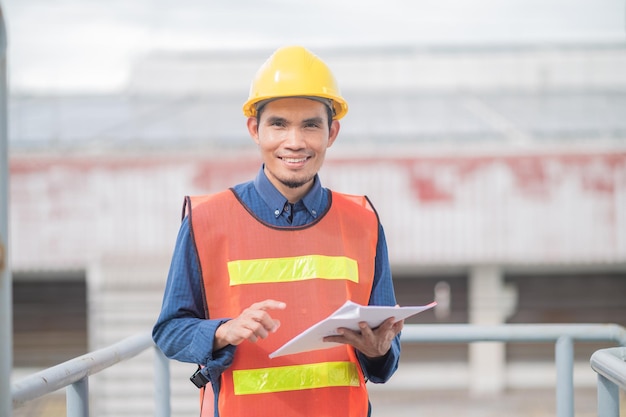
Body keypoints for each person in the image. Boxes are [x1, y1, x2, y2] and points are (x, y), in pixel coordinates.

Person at [152, 45, 403, 417]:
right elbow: (170, 331)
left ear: (332, 132)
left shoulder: (363, 221)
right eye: (279, 124)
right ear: (255, 129)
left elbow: (385, 357)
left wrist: (379, 351)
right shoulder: (207, 220)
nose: (295, 141)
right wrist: (223, 331)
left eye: (311, 125)